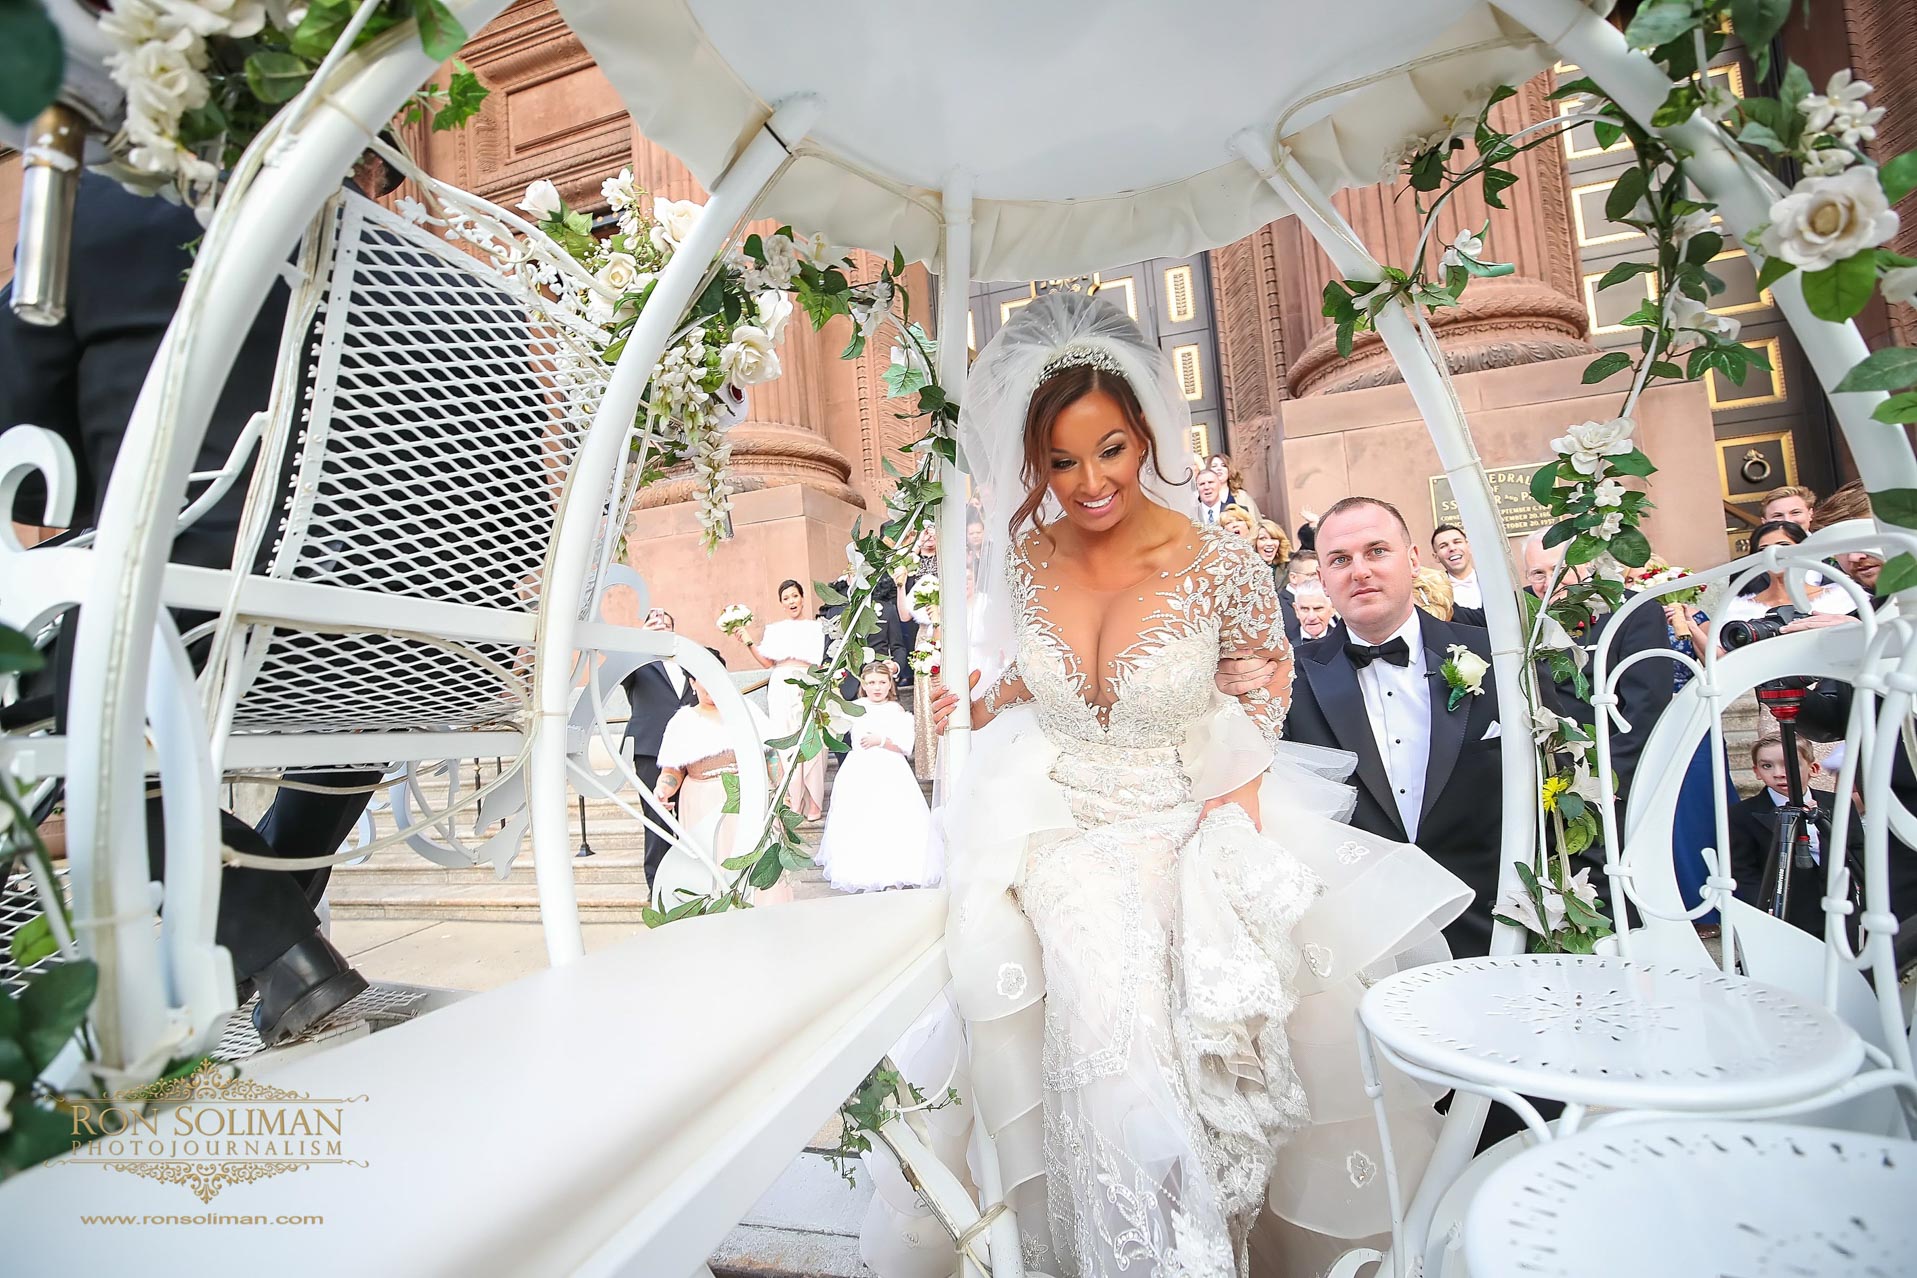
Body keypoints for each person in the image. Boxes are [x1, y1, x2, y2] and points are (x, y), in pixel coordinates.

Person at [912, 293, 1468, 1275]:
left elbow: (1267, 674)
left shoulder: (1216, 560)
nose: (1090, 482)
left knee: (1211, 1031)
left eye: (1111, 450)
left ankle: (1199, 1238)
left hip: (1186, 812)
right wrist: (986, 700)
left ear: (1146, 439)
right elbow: (1039, 667)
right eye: (1062, 461)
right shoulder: (1031, 557)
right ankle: (1148, 1249)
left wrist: (1237, 797)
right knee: (1108, 995)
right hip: (1064, 826)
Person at [0, 170, 392, 1045]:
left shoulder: (85, 203)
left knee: (74, 717)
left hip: (190, 623)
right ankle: (276, 933)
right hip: (398, 633)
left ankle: (276, 937)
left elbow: (28, 462)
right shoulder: (393, 239)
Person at [1282, 496, 1506, 958]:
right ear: (1322, 578)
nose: (1359, 571)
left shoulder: (1500, 658)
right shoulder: (1288, 682)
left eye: (1376, 551)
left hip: (1496, 931)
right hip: (1358, 946)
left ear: (1413, 559)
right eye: (1340, 560)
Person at [1522, 530, 1673, 803]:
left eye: (1558, 569)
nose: (1549, 582)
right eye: (1537, 574)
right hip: (1538, 780)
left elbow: (1647, 707)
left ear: (1586, 565)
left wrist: (1608, 776)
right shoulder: (1520, 611)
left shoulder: (1633, 611)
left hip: (1608, 782)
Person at [651, 652, 788, 907]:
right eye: (702, 679)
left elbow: (769, 755)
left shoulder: (747, 711)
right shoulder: (682, 721)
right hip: (702, 803)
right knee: (713, 865)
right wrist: (662, 790)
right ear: (692, 682)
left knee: (753, 858)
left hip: (747, 798)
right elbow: (672, 771)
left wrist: (781, 790)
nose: (710, 687)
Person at [816, 664, 938, 892]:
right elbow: (833, 725)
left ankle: (894, 871)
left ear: (890, 683)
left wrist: (881, 740)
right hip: (859, 769)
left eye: (882, 682)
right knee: (862, 818)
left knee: (890, 817)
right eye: (871, 682)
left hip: (890, 768)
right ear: (863, 685)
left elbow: (905, 746)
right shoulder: (855, 708)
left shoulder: (896, 710)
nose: (877, 687)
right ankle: (864, 872)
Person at [1727, 735, 1862, 939]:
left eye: (1790, 764)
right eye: (1767, 766)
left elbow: (1858, 849)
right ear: (1756, 771)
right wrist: (1762, 907)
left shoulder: (1839, 803)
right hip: (1786, 913)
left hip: (1840, 909)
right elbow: (1743, 870)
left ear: (1813, 768)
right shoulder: (1742, 814)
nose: (1779, 773)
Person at [620, 608, 700, 886]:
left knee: (692, 816)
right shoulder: (636, 665)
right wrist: (640, 643)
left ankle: (691, 882)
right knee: (658, 819)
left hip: (692, 750)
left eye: (666, 622)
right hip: (651, 748)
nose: (660, 624)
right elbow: (618, 671)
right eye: (653, 622)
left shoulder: (688, 664)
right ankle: (657, 887)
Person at [738, 578, 827, 821]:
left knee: (812, 738)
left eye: (794, 596)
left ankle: (814, 802)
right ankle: (793, 799)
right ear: (781, 602)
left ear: (802, 598)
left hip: (808, 680)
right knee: (786, 740)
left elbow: (819, 660)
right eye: (786, 598)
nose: (791, 601)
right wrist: (748, 642)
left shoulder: (815, 627)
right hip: (781, 684)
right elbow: (767, 662)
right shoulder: (774, 630)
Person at [1720, 520, 1856, 622]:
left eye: (1784, 546)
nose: (1774, 554)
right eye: (1764, 550)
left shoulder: (1843, 598)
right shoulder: (1738, 610)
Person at [1430, 522, 1482, 610]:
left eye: (1457, 542)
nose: (1452, 548)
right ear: (1436, 557)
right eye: (1443, 546)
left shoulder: (1493, 583)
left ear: (1469, 547)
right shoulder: (1433, 592)